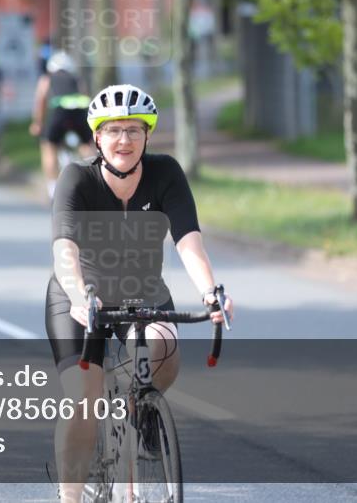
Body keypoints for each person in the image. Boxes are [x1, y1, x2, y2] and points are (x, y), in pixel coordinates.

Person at [45, 83, 234, 502]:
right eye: (113, 130)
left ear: (147, 135)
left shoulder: (166, 173)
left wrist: (210, 291)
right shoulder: (77, 178)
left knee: (164, 345)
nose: (123, 140)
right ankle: (71, 497)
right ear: (97, 136)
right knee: (85, 403)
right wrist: (79, 297)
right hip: (81, 299)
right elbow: (64, 251)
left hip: (143, 293)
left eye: (133, 130)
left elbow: (189, 241)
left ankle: (141, 410)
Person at [29, 50, 92, 199]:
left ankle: (52, 189)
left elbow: (41, 101)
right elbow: (86, 95)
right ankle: (95, 179)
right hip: (79, 112)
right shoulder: (77, 78)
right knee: (86, 146)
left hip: (59, 114)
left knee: (48, 146)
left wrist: (37, 123)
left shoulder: (47, 79)